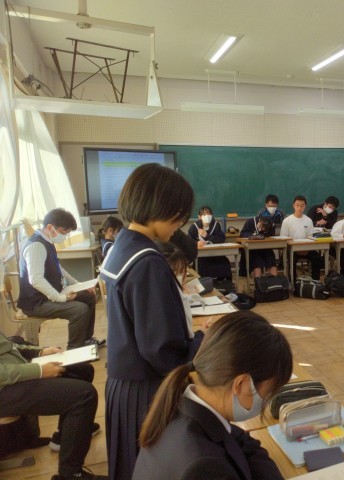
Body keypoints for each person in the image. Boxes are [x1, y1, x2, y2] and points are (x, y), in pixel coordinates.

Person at [100, 163, 204, 480]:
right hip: (144, 389)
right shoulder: (147, 261)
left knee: (131, 465)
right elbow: (161, 348)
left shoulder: (123, 245)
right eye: (178, 215)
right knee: (150, 467)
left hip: (123, 383)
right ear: (158, 207)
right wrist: (202, 344)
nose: (180, 224)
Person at [132, 311, 293, 480]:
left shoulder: (179, 404)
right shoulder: (206, 467)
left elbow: (241, 440)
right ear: (241, 384)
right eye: (269, 392)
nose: (267, 400)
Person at [0, 332, 105, 480]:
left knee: (83, 370)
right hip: (4, 390)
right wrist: (39, 370)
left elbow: (8, 345)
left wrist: (40, 352)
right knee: (84, 395)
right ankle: (70, 474)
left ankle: (66, 435)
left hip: (13, 374)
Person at [17, 208, 104, 350]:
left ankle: (86, 340)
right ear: (50, 227)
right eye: (64, 232)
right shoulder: (36, 246)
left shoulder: (47, 241)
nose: (64, 236)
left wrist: (80, 285)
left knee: (89, 296)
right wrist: (60, 298)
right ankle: (75, 349)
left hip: (46, 296)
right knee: (79, 309)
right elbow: (36, 280)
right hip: (36, 303)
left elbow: (59, 268)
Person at [280, 195, 323, 280]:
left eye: (302, 205)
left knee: (317, 257)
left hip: (306, 249)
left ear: (305, 206)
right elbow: (283, 238)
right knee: (290, 259)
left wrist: (306, 248)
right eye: (297, 205)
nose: (299, 208)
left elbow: (311, 237)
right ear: (293, 205)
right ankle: (292, 282)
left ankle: (315, 281)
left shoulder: (308, 220)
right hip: (291, 249)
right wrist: (295, 248)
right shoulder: (287, 221)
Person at [187, 205, 231, 279]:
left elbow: (221, 239)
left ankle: (223, 282)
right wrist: (197, 243)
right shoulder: (194, 227)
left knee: (224, 262)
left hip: (215, 254)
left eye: (209, 214)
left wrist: (207, 236)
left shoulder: (216, 225)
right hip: (201, 256)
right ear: (199, 217)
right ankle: (206, 282)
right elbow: (189, 241)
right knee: (203, 265)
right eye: (204, 214)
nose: (207, 216)